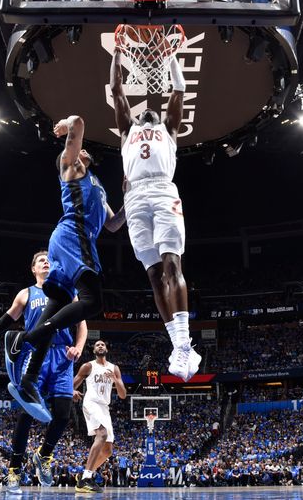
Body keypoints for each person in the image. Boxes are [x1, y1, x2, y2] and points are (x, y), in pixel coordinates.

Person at [5, 115, 125, 422]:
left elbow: (112, 225)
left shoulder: (97, 185)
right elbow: (80, 123)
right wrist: (69, 123)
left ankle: (29, 380)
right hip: (74, 236)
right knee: (93, 301)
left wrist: (131, 199)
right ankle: (24, 340)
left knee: (57, 304)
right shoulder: (71, 168)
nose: (84, 151)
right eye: (78, 149)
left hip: (78, 240)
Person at [0, 249, 88, 493]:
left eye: (48, 260)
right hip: (35, 357)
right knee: (26, 414)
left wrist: (78, 347)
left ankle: (43, 455)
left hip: (63, 357)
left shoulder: (67, 291)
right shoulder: (26, 294)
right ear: (33, 269)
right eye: (40, 261)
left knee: (64, 415)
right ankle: (14, 471)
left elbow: (82, 324)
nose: (46, 262)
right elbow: (2, 323)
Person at [110, 47, 201, 381]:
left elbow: (178, 90)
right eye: (143, 110)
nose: (148, 111)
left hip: (163, 192)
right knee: (152, 275)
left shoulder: (170, 129)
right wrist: (117, 55)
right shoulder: (126, 131)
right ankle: (180, 346)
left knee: (171, 265)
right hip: (134, 197)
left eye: (153, 111)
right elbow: (117, 90)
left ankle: (182, 344)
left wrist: (172, 56)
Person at [72, 340, 127, 492]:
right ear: (94, 350)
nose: (100, 346)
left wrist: (116, 380)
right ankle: (86, 478)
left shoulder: (114, 368)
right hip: (91, 403)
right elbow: (72, 384)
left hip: (104, 407)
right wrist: (72, 391)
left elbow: (123, 395)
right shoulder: (88, 366)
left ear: (107, 349)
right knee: (101, 435)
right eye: (97, 345)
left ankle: (83, 477)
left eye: (103, 344)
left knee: (108, 450)